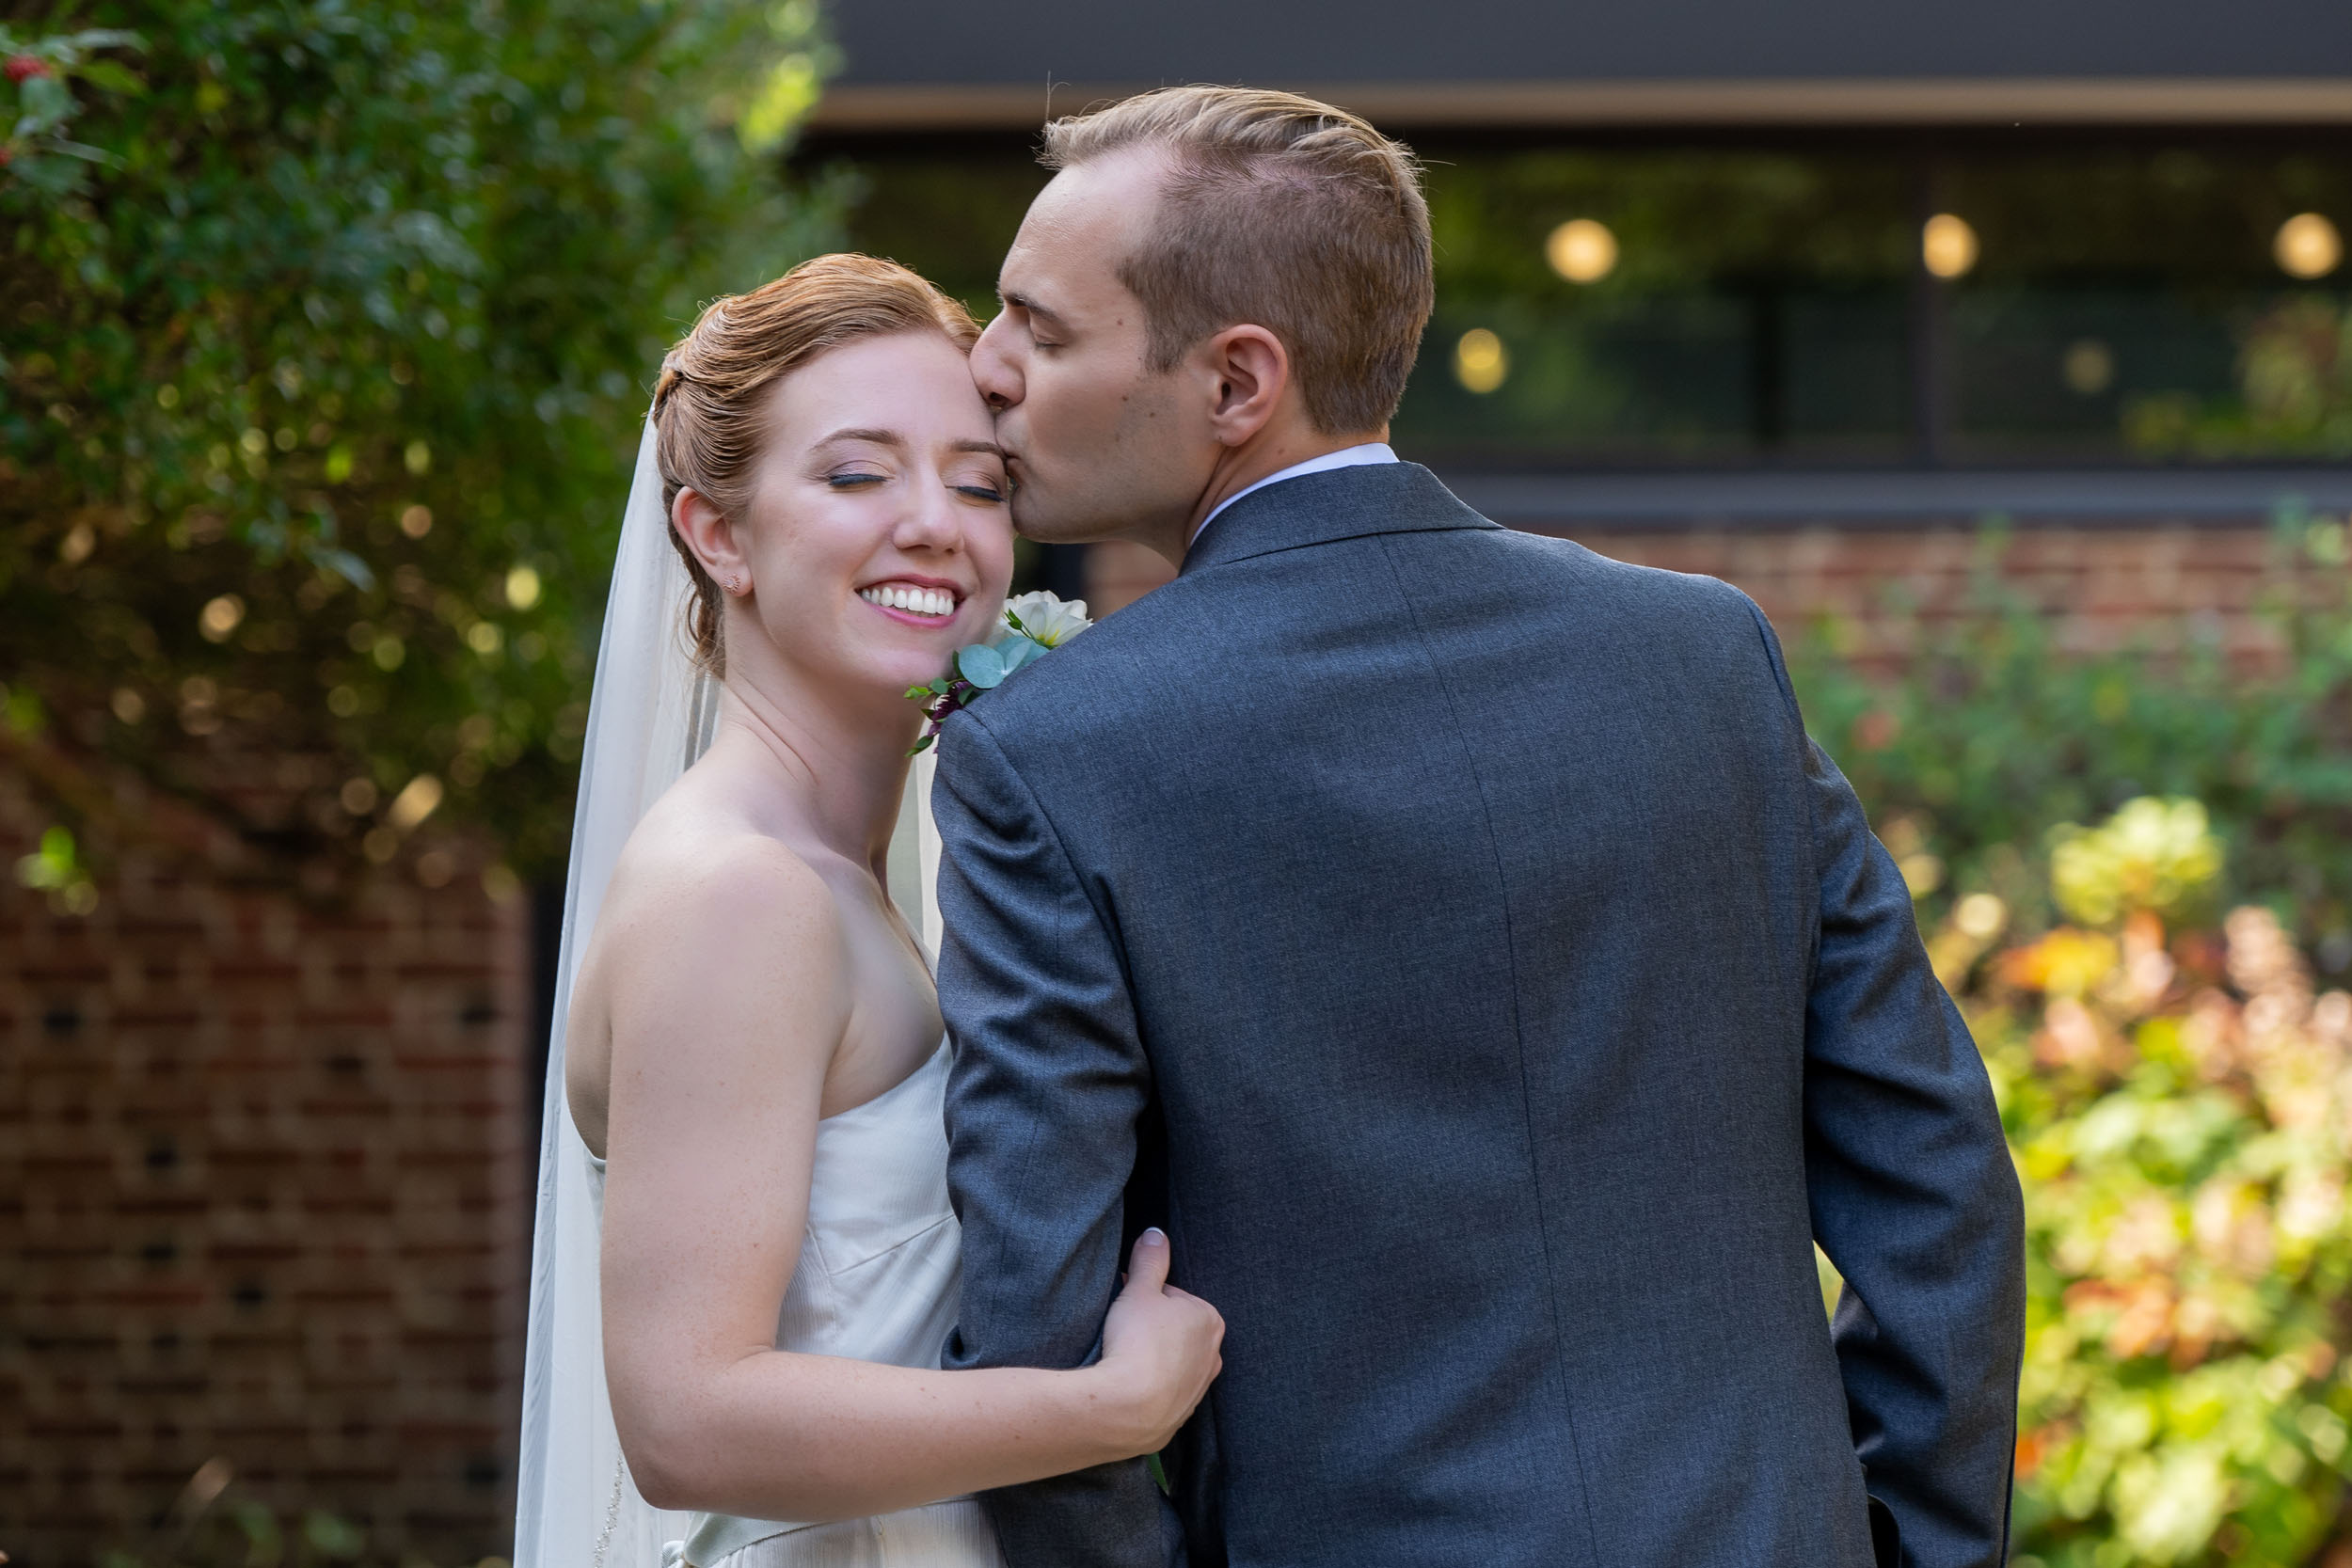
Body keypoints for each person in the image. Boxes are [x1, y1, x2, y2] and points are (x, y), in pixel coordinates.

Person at [932, 87, 2026, 1568]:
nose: (982, 371)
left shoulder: (1050, 756)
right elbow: (1937, 1177)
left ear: (1237, 383)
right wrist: (1899, 1545)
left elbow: (1039, 1326)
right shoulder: (1704, 660)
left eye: (1040, 331)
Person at [513, 253, 1224, 1568]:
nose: (937, 525)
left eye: (977, 479)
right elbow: (685, 1423)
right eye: (855, 474)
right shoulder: (741, 896)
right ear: (716, 534)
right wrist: (1108, 1409)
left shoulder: (846, 884)